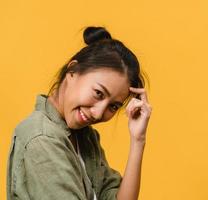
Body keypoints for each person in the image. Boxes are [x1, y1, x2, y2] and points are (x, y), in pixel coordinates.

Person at [6, 26, 152, 200]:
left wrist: (138, 140)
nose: (98, 114)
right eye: (98, 93)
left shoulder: (85, 137)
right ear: (73, 71)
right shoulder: (42, 139)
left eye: (113, 106)